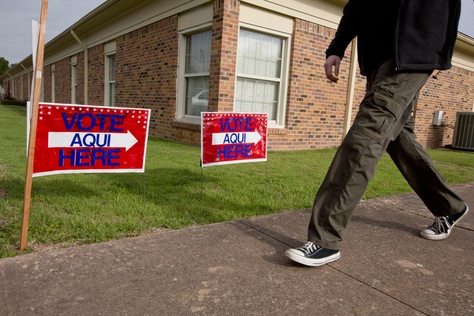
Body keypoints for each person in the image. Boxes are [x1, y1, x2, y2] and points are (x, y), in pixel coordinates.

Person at [285, 0, 469, 267]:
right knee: (396, 136)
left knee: (368, 131)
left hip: (414, 48)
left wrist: (441, 50)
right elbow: (355, 6)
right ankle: (450, 206)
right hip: (378, 55)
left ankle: (325, 238)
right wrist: (336, 47)